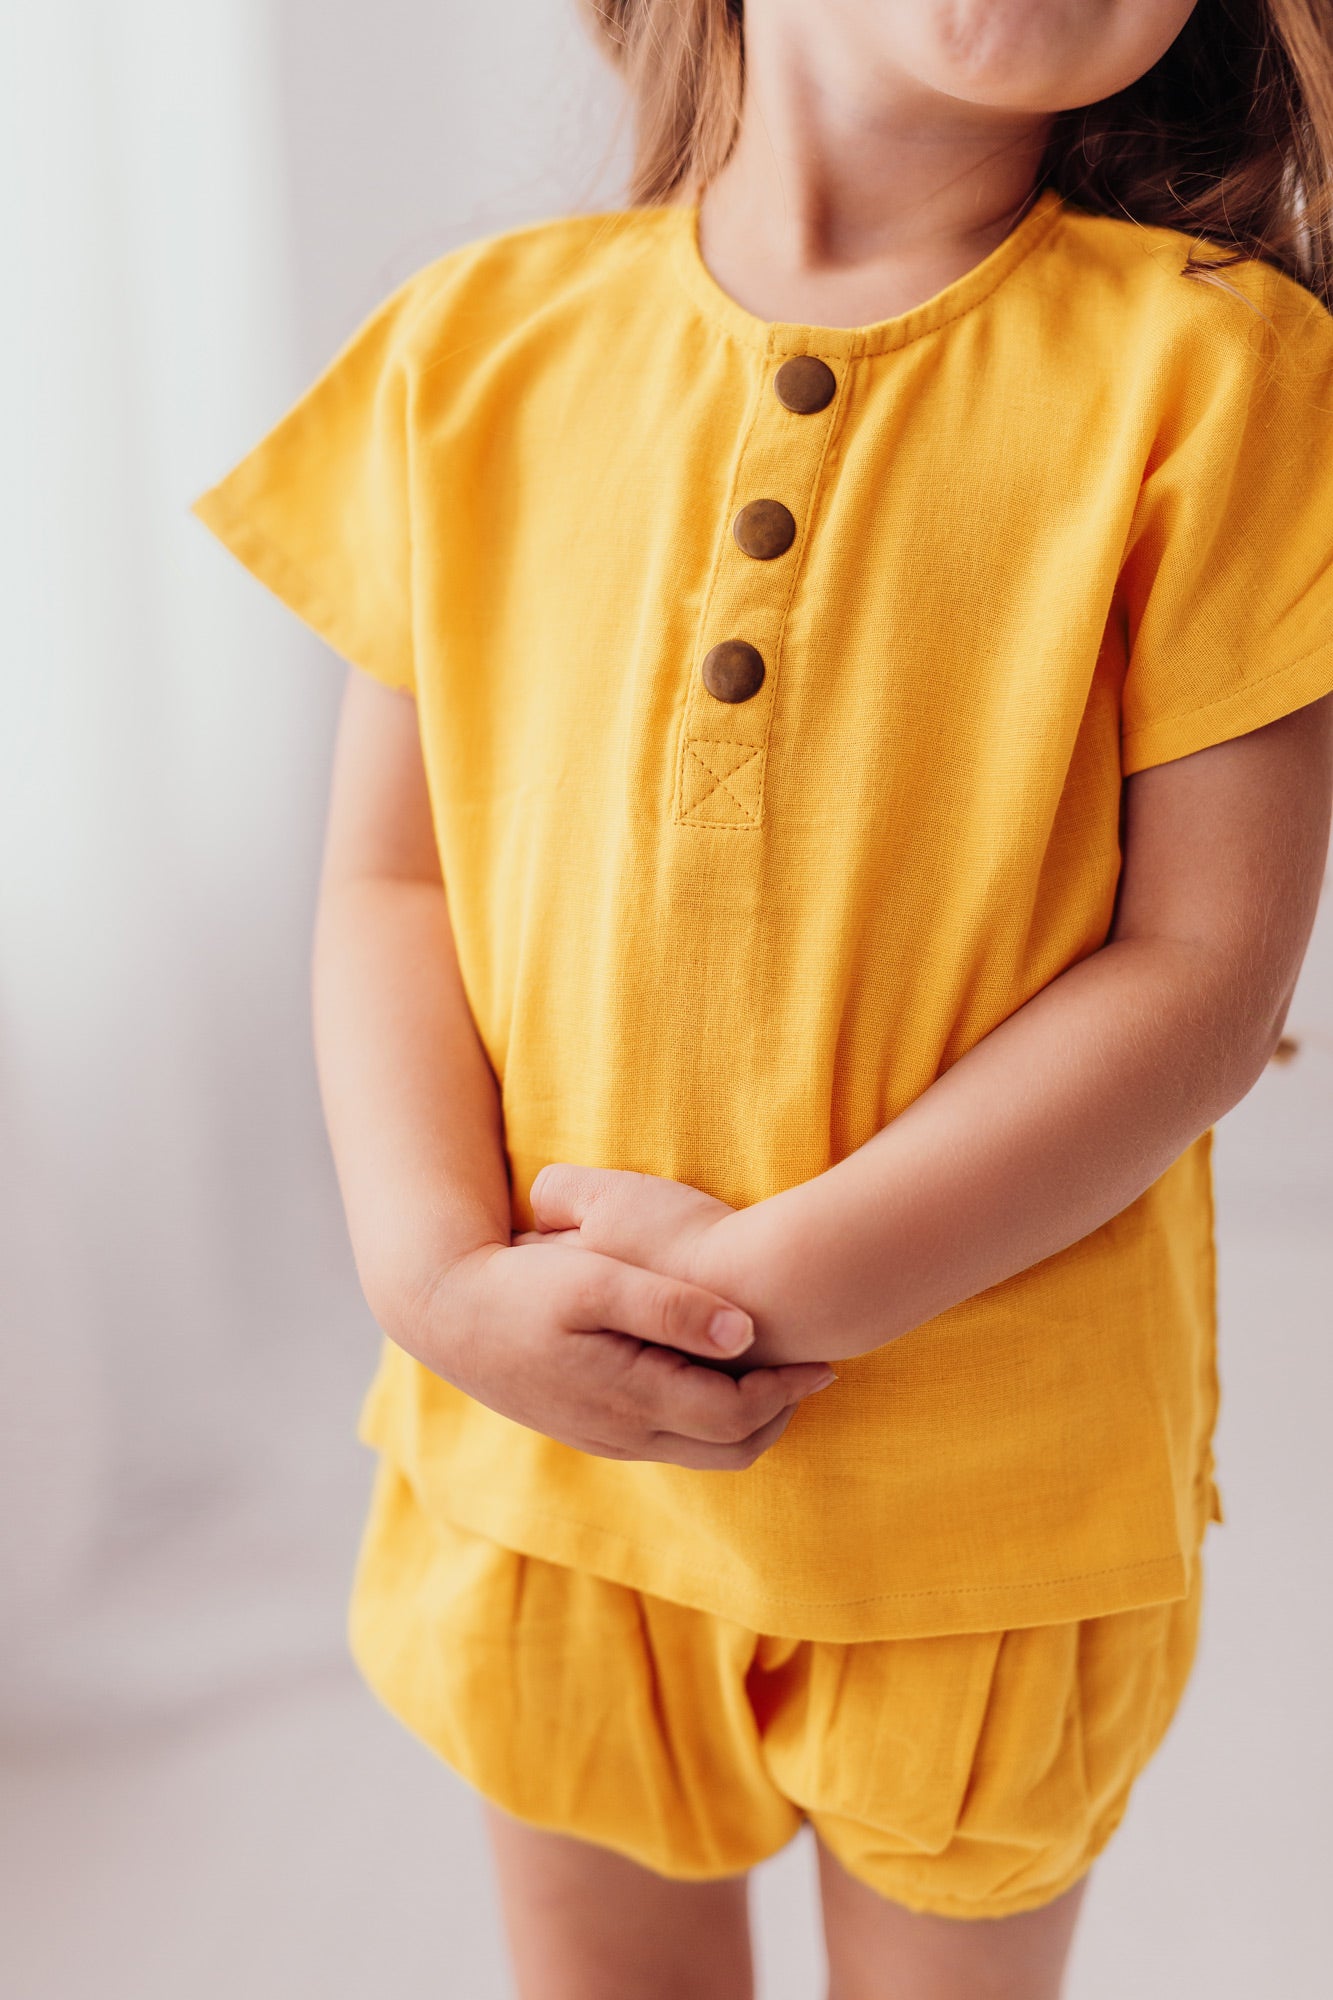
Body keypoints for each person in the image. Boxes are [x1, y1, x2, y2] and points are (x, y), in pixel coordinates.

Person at [192, 3, 1333, 1994]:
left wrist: (759, 1300)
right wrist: (438, 1287)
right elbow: (392, 879)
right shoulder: (475, 350)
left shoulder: (1222, 371)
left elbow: (1201, 981)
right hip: (549, 1463)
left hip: (987, 1504)